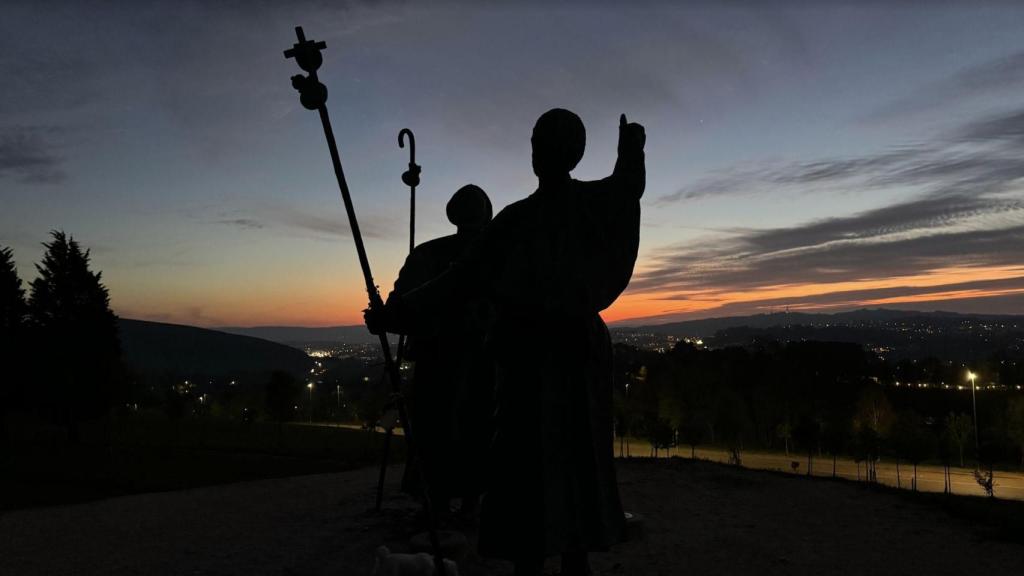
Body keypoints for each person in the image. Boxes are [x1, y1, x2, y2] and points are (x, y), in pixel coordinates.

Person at [369, 108, 645, 576]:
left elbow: (456, 281)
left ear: (538, 153)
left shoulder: (516, 221)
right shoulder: (586, 205)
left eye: (542, 142)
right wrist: (631, 151)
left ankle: (535, 557)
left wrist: (395, 313)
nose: (539, 150)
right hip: (570, 348)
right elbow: (625, 188)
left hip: (533, 351)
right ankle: (567, 555)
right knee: (567, 455)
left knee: (531, 459)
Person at [386, 184, 495, 518]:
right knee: (473, 430)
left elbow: (400, 308)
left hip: (448, 359)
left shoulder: (426, 254)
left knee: (440, 431)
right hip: (480, 359)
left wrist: (386, 316)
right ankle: (467, 502)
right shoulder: (500, 255)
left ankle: (440, 502)